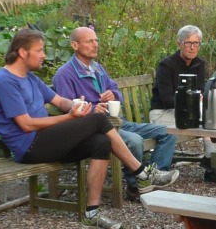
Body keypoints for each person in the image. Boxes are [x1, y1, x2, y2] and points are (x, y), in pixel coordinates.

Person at [0, 29, 172, 229]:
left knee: (101, 142)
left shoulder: (29, 78)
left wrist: (76, 105)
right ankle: (142, 173)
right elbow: (26, 125)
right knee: (99, 119)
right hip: (29, 147)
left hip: (46, 140)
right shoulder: (5, 81)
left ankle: (92, 214)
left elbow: (59, 100)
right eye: (39, 50)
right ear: (22, 52)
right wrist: (69, 117)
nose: (43, 55)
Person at [53, 27, 179, 202]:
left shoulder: (97, 68)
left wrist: (113, 95)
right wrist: (91, 109)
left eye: (96, 40)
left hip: (117, 121)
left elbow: (114, 88)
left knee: (168, 132)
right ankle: (135, 187)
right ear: (75, 45)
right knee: (135, 141)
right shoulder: (65, 74)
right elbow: (67, 107)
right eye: (89, 41)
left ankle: (152, 180)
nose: (95, 45)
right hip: (96, 128)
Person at [149, 25, 216, 182]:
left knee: (212, 122)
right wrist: (191, 100)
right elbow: (165, 98)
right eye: (188, 43)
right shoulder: (166, 65)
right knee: (203, 123)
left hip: (187, 112)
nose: (192, 47)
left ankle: (213, 166)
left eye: (196, 43)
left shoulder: (199, 64)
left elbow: (201, 89)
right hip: (163, 112)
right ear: (179, 44)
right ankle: (212, 166)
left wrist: (199, 98)